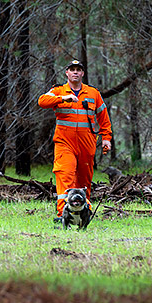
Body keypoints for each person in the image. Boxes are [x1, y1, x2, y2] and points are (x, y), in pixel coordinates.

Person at [38, 60, 113, 222]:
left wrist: (106, 138)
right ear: (67, 73)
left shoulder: (93, 93)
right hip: (65, 143)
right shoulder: (58, 91)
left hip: (87, 143)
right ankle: (63, 213)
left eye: (78, 70)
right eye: (72, 70)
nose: (75, 72)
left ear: (83, 73)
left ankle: (84, 211)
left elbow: (103, 117)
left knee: (84, 180)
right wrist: (63, 99)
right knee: (65, 174)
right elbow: (42, 101)